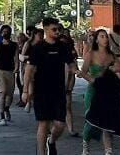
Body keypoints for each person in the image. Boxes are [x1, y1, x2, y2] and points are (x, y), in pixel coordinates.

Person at [29, 18, 78, 155]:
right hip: (41, 91)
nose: (57, 32)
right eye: (54, 29)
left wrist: (77, 71)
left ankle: (51, 141)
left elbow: (71, 63)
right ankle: (41, 152)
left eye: (58, 29)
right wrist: (26, 90)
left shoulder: (63, 47)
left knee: (60, 124)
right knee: (43, 123)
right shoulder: (38, 47)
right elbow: (29, 70)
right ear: (45, 30)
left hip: (58, 90)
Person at [80, 29, 117, 155]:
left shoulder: (111, 55)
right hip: (93, 91)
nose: (105, 39)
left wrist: (114, 70)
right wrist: (94, 79)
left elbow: (118, 68)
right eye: (102, 36)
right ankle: (85, 146)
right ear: (96, 40)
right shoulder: (90, 54)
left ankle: (109, 151)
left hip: (107, 92)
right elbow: (83, 72)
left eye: (106, 36)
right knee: (91, 120)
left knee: (107, 122)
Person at [0, 24, 18, 125]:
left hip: (10, 71)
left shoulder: (14, 45)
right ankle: (2, 116)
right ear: (1, 33)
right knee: (3, 93)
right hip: (0, 71)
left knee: (10, 94)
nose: (5, 33)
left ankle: (7, 108)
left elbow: (16, 58)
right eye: (3, 32)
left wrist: (16, 68)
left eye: (7, 32)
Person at [60, 25, 79, 137]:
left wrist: (69, 87)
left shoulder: (70, 59)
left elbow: (74, 72)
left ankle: (71, 129)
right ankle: (50, 128)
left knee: (67, 107)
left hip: (67, 87)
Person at [15, 31, 29, 106]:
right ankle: (21, 99)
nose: (18, 39)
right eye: (18, 38)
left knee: (23, 83)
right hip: (20, 66)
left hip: (25, 66)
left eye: (19, 37)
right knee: (19, 83)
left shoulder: (27, 45)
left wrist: (22, 56)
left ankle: (25, 100)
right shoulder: (18, 45)